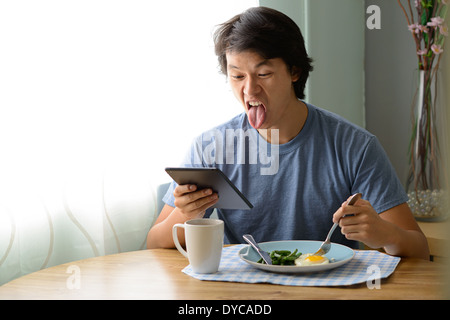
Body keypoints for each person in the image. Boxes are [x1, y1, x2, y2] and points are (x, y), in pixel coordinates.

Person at [147, 7, 429, 259]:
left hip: (328, 288)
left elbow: (419, 247)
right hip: (241, 292)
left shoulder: (355, 146)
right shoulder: (211, 147)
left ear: (294, 71)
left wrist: (384, 234)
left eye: (264, 74)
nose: (249, 90)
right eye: (237, 76)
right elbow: (154, 243)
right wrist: (187, 214)